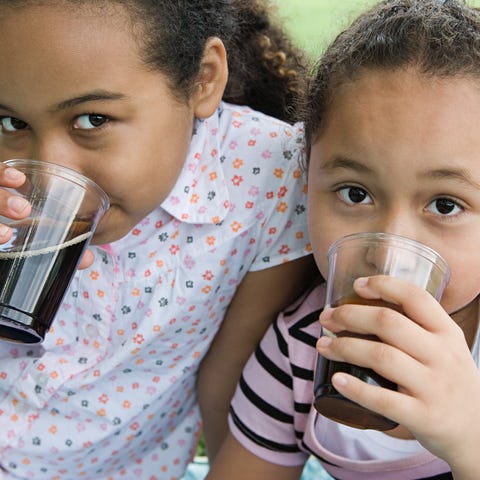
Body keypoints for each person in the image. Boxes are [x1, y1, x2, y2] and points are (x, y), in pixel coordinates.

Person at [0, 1, 317, 479]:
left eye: (92, 121)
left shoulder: (269, 176)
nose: (53, 170)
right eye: (11, 124)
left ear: (203, 79)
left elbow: (237, 397)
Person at [205, 0, 480, 479]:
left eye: (445, 205)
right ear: (306, 178)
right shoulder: (298, 351)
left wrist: (468, 437)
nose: (386, 248)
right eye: (356, 193)